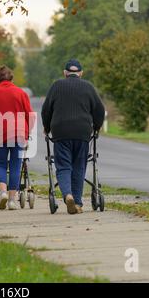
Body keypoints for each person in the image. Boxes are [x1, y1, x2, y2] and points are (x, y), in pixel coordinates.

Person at [41, 59, 105, 215]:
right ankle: (77, 202)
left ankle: (67, 195)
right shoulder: (88, 87)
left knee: (63, 166)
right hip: (82, 132)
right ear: (81, 73)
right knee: (79, 166)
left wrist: (47, 127)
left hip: (61, 132)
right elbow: (99, 110)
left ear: (65, 73)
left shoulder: (56, 86)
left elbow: (46, 110)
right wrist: (96, 127)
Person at [0, 66, 35, 210]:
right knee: (16, 165)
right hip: (19, 134)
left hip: (0, 135)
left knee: (1, 164)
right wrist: (28, 132)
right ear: (11, 78)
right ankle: (11, 200)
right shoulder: (21, 93)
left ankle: (3, 192)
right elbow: (30, 115)